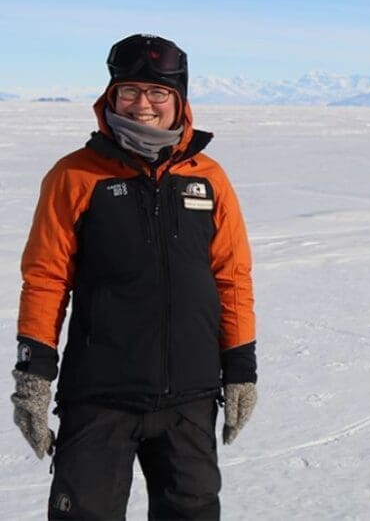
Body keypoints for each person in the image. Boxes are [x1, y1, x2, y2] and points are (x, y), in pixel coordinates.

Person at [11, 34, 257, 520]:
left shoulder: (208, 178)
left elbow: (232, 278)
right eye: (129, 91)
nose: (142, 104)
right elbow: (45, 278)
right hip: (100, 396)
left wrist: (241, 372)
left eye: (157, 92)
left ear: (178, 99)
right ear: (111, 96)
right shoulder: (75, 176)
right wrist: (33, 376)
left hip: (190, 395)